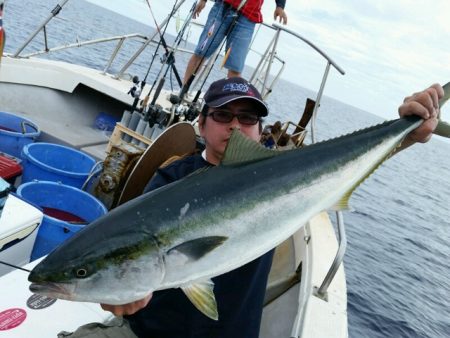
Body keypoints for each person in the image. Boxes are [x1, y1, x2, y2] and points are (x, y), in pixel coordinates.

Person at [60, 79, 444, 338]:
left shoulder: (286, 173)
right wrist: (118, 296)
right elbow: (128, 258)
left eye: (247, 118)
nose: (235, 126)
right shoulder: (170, 180)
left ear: (259, 129)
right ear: (202, 123)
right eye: (223, 116)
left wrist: (408, 130)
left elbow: (337, 167)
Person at [183, 0, 288, 83]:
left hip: (248, 18)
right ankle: (183, 92)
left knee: (235, 68)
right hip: (222, 7)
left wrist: (280, 6)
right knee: (201, 53)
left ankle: (230, 108)